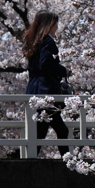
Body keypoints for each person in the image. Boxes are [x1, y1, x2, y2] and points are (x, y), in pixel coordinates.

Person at [23, 10, 70, 156]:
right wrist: (64, 71)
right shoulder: (48, 41)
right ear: (49, 24)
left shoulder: (35, 41)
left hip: (34, 88)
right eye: (55, 23)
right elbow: (46, 64)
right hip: (45, 90)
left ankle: (30, 160)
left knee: (41, 130)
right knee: (60, 130)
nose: (57, 26)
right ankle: (67, 162)